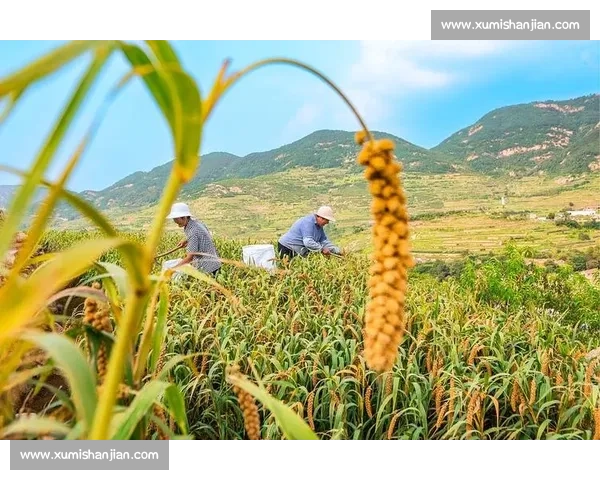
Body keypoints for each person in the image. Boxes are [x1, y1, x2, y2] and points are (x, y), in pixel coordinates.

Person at [166, 202, 221, 277]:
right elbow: (201, 236)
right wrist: (186, 240)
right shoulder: (196, 223)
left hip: (209, 269)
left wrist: (172, 270)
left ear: (184, 217)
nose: (175, 221)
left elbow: (189, 258)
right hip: (215, 263)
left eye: (176, 219)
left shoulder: (192, 232)